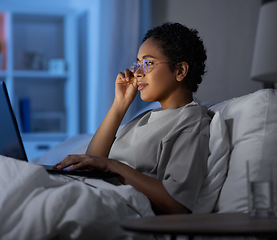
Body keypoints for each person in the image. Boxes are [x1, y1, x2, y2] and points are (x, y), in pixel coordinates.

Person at [54, 22, 210, 215]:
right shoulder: (146, 117)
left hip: (120, 207)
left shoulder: (192, 121)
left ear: (180, 71)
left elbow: (177, 204)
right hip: (95, 192)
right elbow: (94, 159)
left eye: (148, 63)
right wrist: (120, 104)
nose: (137, 72)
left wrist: (114, 167)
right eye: (137, 63)